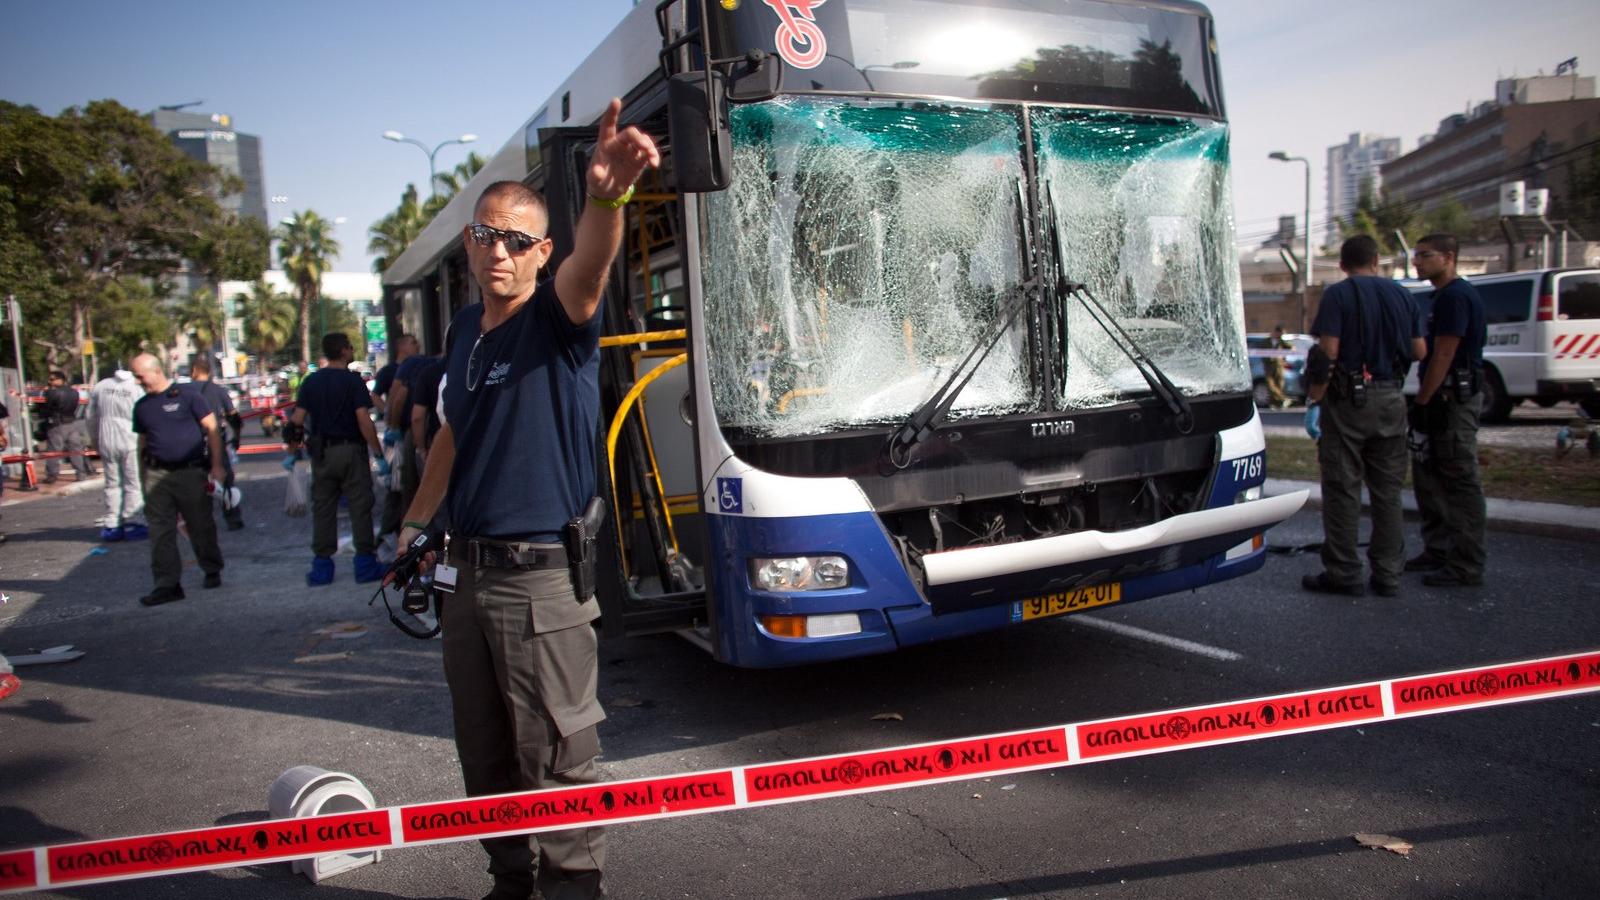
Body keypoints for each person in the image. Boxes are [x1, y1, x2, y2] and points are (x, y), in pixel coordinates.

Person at [398, 98, 658, 900]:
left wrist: (607, 199)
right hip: (466, 582)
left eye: (517, 240)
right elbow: (451, 430)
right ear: (471, 243)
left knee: (558, 760)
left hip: (540, 582)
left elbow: (593, 268)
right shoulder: (465, 334)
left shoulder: (557, 320)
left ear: (541, 251)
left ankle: (573, 890)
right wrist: (415, 525)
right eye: (485, 235)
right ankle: (511, 882)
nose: (498, 252)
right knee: (485, 759)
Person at [1300, 236, 1426, 598]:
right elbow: (1419, 348)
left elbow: (1329, 352)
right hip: (1391, 397)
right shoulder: (1403, 295)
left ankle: (1344, 572)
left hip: (1349, 403)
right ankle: (1388, 574)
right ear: (1376, 260)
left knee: (1343, 488)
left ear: (1343, 264)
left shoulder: (1339, 295)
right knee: (1387, 492)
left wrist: (1315, 401)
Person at [1407, 233, 1488, 587]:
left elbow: (1444, 353)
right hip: (1445, 397)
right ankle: (1438, 549)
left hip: (1453, 399)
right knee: (1431, 474)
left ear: (1449, 257)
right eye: (1416, 256)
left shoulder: (1456, 296)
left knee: (1458, 478)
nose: (1417, 262)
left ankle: (1465, 562)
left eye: (1425, 255)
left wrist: (1423, 400)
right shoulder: (1444, 296)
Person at [285, 332, 388, 585]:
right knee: (360, 506)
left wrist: (291, 453)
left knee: (323, 507)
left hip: (321, 453)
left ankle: (322, 567)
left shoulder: (311, 382)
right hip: (350, 450)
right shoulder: (352, 382)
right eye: (351, 347)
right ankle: (365, 564)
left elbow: (296, 422)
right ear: (343, 351)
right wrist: (378, 454)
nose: (352, 351)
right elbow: (364, 419)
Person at [129, 354, 227, 606]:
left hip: (190, 471)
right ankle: (167, 584)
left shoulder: (187, 395)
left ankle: (211, 568)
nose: (138, 381)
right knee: (160, 530)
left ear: (156, 371)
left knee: (199, 524)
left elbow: (212, 428)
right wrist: (143, 476)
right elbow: (142, 442)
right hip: (156, 474)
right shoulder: (142, 407)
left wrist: (217, 465)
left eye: (140, 376)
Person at [87, 368, 148, 541]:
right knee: (133, 482)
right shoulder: (137, 388)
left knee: (112, 483)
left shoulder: (101, 386)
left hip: (106, 438)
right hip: (131, 439)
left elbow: (90, 417)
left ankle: (112, 523)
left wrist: (95, 440)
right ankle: (133, 521)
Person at [190, 357, 245, 530]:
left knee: (196, 481)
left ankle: (199, 520)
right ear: (209, 372)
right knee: (225, 478)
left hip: (192, 443)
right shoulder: (218, 390)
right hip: (216, 440)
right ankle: (233, 517)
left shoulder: (185, 391)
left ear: (194, 371)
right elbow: (234, 417)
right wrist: (237, 438)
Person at [376, 334, 420, 539]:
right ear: (402, 346)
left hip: (404, 432)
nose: (417, 345)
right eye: (413, 342)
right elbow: (394, 396)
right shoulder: (392, 371)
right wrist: (390, 418)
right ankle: (393, 532)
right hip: (401, 434)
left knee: (403, 485)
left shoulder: (416, 365)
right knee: (399, 486)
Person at [42, 371, 91, 483]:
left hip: (57, 424)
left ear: (60, 379)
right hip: (72, 422)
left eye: (52, 379)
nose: (50, 381)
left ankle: (52, 475)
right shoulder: (74, 392)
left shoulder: (52, 393)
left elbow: (47, 407)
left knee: (54, 451)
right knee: (75, 450)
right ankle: (81, 473)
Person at [1263, 324, 1292, 408]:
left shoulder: (1281, 341)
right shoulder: (1266, 341)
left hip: (1279, 366)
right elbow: (1260, 351)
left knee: (1279, 385)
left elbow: (1290, 347)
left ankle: (1276, 403)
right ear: (1276, 332)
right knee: (1270, 385)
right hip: (1269, 366)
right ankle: (1283, 399)